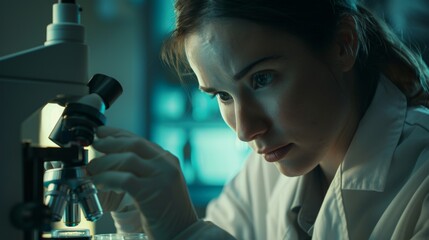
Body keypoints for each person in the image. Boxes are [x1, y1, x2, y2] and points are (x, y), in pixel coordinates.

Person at [86, 0, 429, 239]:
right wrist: (138, 223)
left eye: (262, 79)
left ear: (343, 44)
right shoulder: (262, 173)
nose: (246, 131)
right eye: (222, 95)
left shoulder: (421, 180)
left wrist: (187, 233)